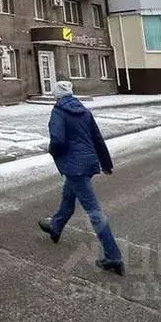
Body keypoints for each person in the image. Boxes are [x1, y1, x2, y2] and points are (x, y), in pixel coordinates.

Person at [39, 80, 124, 275]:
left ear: (57, 95)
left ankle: (113, 257)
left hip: (73, 166)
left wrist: (53, 151)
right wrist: (106, 164)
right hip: (87, 163)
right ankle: (55, 226)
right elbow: (97, 139)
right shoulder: (84, 111)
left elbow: (57, 140)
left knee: (94, 210)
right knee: (68, 198)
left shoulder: (58, 112)